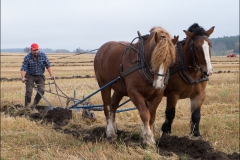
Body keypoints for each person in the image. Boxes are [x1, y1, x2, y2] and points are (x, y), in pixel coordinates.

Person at [20, 43, 55, 109]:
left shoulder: (43, 55)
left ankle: (34, 105)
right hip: (30, 75)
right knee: (29, 91)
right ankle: (26, 107)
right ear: (31, 50)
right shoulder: (27, 57)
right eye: (34, 50)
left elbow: (48, 65)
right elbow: (23, 68)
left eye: (37, 50)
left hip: (40, 75)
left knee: (41, 90)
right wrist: (23, 77)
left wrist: (51, 75)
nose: (36, 52)